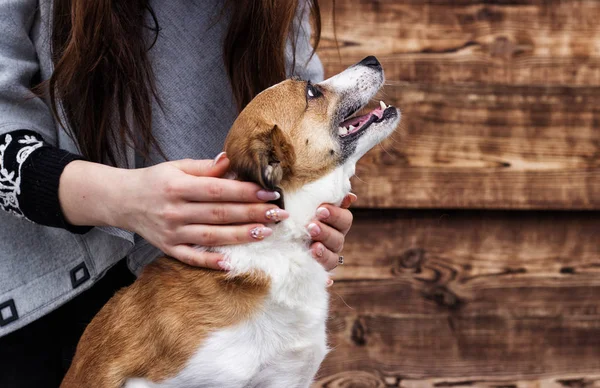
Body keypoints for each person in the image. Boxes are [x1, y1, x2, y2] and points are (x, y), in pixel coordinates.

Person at [0, 1, 355, 386]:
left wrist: (312, 217)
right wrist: (121, 199)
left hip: (223, 285)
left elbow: (301, 111)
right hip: (38, 283)